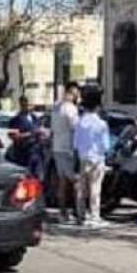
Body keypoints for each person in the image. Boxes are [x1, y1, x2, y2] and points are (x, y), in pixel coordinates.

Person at [73, 95, 110, 228]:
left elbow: (75, 143)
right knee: (95, 188)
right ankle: (95, 216)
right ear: (97, 107)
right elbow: (105, 145)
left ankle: (80, 215)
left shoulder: (79, 123)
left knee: (82, 189)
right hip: (97, 159)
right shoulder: (101, 124)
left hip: (83, 157)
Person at [51, 82, 80, 223]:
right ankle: (77, 212)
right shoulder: (71, 109)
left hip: (57, 147)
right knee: (76, 181)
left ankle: (62, 212)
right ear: (72, 93)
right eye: (76, 93)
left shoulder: (56, 107)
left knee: (62, 181)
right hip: (68, 147)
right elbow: (76, 127)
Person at [7, 96, 39, 168]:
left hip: (35, 150)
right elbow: (12, 135)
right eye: (25, 105)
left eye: (29, 105)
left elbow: (38, 129)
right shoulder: (15, 120)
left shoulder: (35, 118)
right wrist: (27, 135)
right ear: (21, 105)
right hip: (22, 151)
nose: (28, 107)